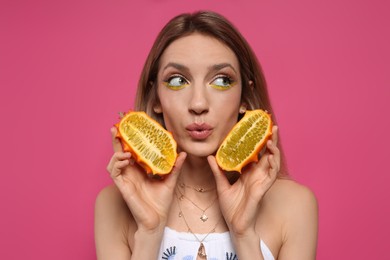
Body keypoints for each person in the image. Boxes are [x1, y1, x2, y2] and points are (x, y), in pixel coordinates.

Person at [95, 11, 318, 260]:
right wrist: (149, 232)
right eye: (178, 80)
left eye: (222, 80)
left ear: (245, 96)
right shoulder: (115, 204)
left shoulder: (295, 206)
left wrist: (243, 234)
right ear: (156, 97)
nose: (198, 103)